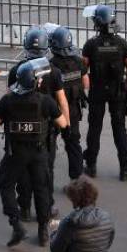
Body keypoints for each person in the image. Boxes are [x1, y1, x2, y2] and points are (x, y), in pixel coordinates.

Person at [0, 58, 67, 247]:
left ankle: (16, 224)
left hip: (15, 152)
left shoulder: (7, 100)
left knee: (5, 183)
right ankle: (43, 231)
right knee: (41, 188)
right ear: (35, 82)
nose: (41, 81)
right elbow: (63, 123)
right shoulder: (45, 101)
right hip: (39, 152)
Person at [5, 28, 69, 223]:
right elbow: (62, 100)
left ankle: (24, 207)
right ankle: (47, 207)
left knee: (22, 172)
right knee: (45, 172)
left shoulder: (17, 70)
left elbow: (10, 97)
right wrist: (66, 125)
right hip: (45, 131)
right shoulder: (54, 71)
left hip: (19, 132)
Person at [81, 4, 127, 180]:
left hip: (97, 91)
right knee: (119, 128)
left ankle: (91, 166)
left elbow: (83, 70)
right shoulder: (122, 44)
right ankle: (125, 168)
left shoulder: (90, 45)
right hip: (117, 91)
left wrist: (87, 90)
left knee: (95, 128)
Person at [48, 26, 88, 180]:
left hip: (54, 110)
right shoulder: (79, 62)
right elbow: (86, 83)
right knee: (73, 142)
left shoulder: (51, 65)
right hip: (72, 109)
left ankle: (46, 179)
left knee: (50, 143)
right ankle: (76, 179)